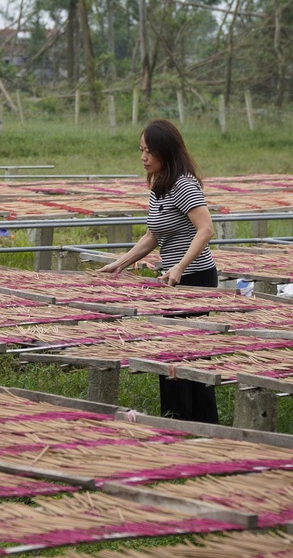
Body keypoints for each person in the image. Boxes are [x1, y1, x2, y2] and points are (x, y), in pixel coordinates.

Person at [98, 119, 219, 423]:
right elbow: (153, 235)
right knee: (170, 351)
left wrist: (179, 266)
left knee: (191, 353)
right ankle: (177, 420)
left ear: (166, 152)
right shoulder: (158, 185)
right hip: (173, 280)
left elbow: (205, 230)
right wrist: (120, 263)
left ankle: (202, 423)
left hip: (195, 279)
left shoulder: (183, 184)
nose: (143, 157)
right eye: (140, 150)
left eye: (149, 151)